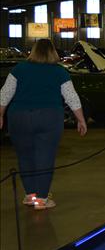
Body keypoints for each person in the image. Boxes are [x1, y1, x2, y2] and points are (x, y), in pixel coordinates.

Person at [0, 39, 88, 209]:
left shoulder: (19, 69)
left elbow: (5, 94)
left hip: (19, 117)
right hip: (49, 117)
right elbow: (72, 98)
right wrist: (81, 119)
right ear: (52, 53)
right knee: (45, 156)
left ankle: (30, 195)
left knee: (24, 156)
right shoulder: (59, 72)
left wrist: (1, 114)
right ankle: (41, 199)